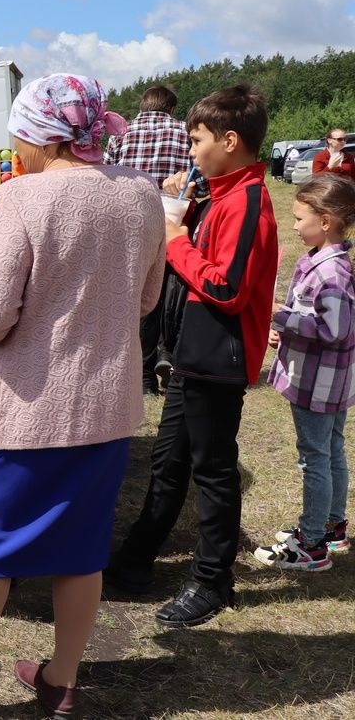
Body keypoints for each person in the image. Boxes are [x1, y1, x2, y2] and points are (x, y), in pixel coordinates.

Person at [0, 74, 165, 719]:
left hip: (27, 407)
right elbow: (146, 299)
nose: (16, 147)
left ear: (39, 135)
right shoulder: (140, 196)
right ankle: (61, 679)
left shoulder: (20, 198)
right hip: (107, 404)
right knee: (82, 549)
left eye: (19, 134)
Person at [107, 85, 278, 628]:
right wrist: (186, 206)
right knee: (168, 461)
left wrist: (176, 238)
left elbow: (228, 288)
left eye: (197, 139)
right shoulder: (219, 193)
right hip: (190, 352)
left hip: (217, 357)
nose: (190, 149)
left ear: (230, 141)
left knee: (213, 470)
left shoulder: (249, 201)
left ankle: (212, 580)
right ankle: (136, 560)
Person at [252, 174, 355, 572]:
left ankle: (311, 544)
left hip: (316, 384)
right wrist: (291, 327)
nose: (293, 226)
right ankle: (331, 526)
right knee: (331, 452)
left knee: (315, 458)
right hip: (330, 381)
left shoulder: (330, 275)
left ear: (325, 221)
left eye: (298, 218)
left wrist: (284, 318)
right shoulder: (329, 263)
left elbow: (334, 329)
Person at [107, 85, 208, 395]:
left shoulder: (121, 134)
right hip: (171, 222)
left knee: (136, 298)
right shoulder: (184, 133)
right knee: (166, 294)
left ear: (143, 106)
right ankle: (163, 358)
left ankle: (141, 375)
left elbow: (106, 175)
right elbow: (202, 180)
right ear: (172, 108)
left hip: (128, 225)